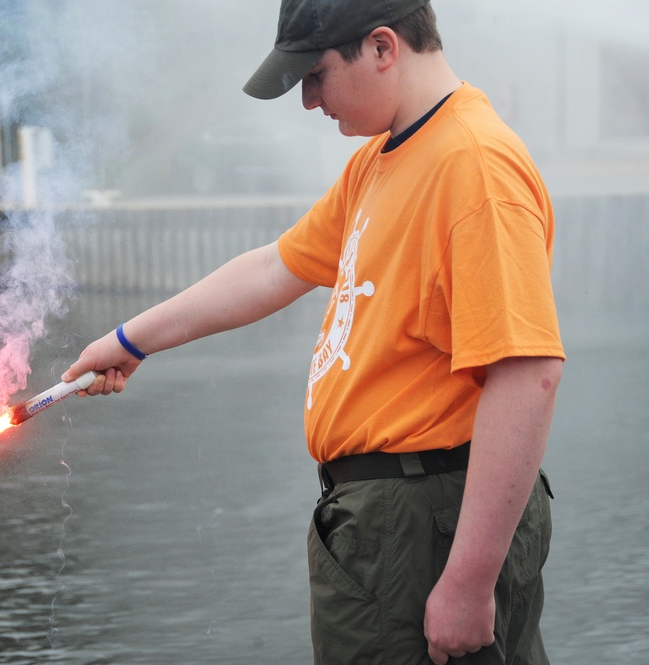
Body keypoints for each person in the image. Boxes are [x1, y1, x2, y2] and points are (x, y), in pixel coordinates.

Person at [62, 0, 565, 662]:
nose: (307, 101)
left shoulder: (473, 166)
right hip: (385, 521)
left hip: (425, 518)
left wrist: (469, 581)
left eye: (317, 75)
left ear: (383, 48)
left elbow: (528, 372)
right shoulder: (385, 159)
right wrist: (130, 341)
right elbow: (277, 266)